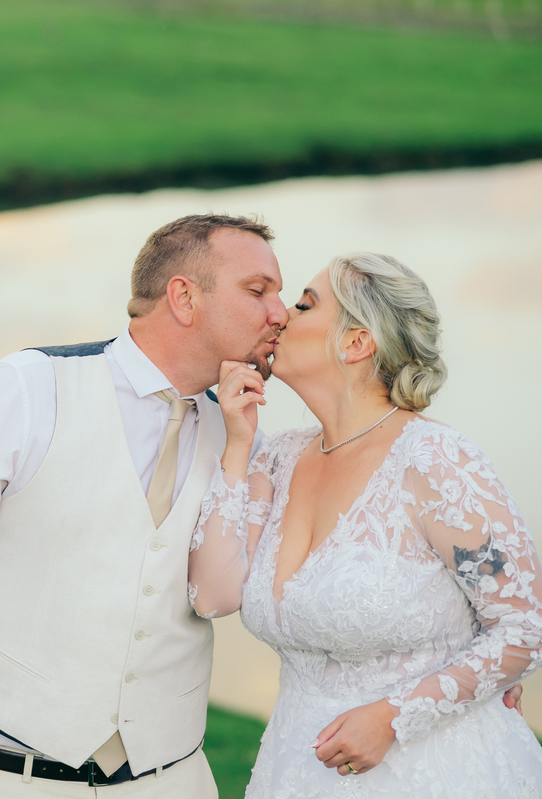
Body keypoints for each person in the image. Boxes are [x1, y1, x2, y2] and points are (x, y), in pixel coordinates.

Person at [0, 213, 287, 799]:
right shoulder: (27, 389)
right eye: (257, 291)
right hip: (5, 779)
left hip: (173, 781)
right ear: (184, 297)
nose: (281, 313)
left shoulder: (244, 440)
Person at [188, 252, 542, 797]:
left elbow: (526, 625)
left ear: (356, 343)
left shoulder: (437, 462)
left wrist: (394, 716)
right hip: (296, 767)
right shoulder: (275, 460)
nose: (280, 315)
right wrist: (237, 444)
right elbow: (211, 595)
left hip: (433, 768)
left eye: (304, 304)